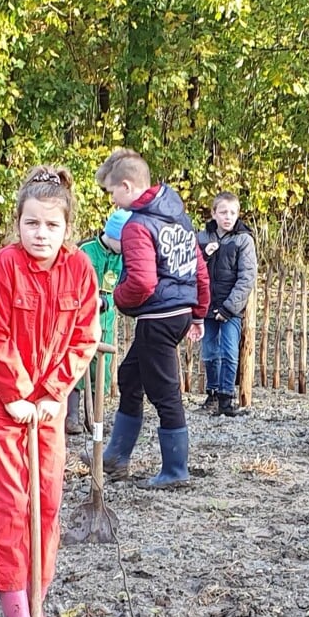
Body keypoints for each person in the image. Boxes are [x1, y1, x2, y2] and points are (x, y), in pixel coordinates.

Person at [0, 167, 100, 617]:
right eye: (31, 224)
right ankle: (18, 613)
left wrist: (51, 393)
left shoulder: (79, 270)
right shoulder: (2, 268)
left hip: (48, 408)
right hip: (5, 408)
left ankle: (39, 600)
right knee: (12, 503)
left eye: (51, 225)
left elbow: (85, 337)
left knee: (46, 500)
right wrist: (19, 393)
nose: (40, 234)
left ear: (67, 228)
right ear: (17, 224)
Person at [95, 148, 209, 488]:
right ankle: (116, 457)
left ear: (127, 187)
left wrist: (116, 298)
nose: (113, 201)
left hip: (158, 316)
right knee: (131, 378)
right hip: (178, 313)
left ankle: (175, 472)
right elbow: (199, 269)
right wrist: (199, 312)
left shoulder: (137, 226)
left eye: (112, 192)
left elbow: (143, 282)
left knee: (165, 393)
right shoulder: (179, 219)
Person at [67, 208, 128, 435]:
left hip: (106, 318)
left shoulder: (123, 257)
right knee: (76, 365)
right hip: (81, 318)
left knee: (100, 371)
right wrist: (92, 300)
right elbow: (75, 284)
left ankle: (95, 418)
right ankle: (71, 416)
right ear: (112, 235)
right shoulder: (86, 252)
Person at [197, 192, 258, 418]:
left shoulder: (244, 240)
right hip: (206, 306)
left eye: (232, 213)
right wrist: (204, 255)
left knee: (230, 351)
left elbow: (247, 278)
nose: (228, 217)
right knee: (210, 352)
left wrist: (229, 308)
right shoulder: (201, 238)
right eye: (223, 212)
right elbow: (191, 268)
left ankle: (226, 397)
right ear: (214, 213)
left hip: (231, 308)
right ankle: (212, 394)